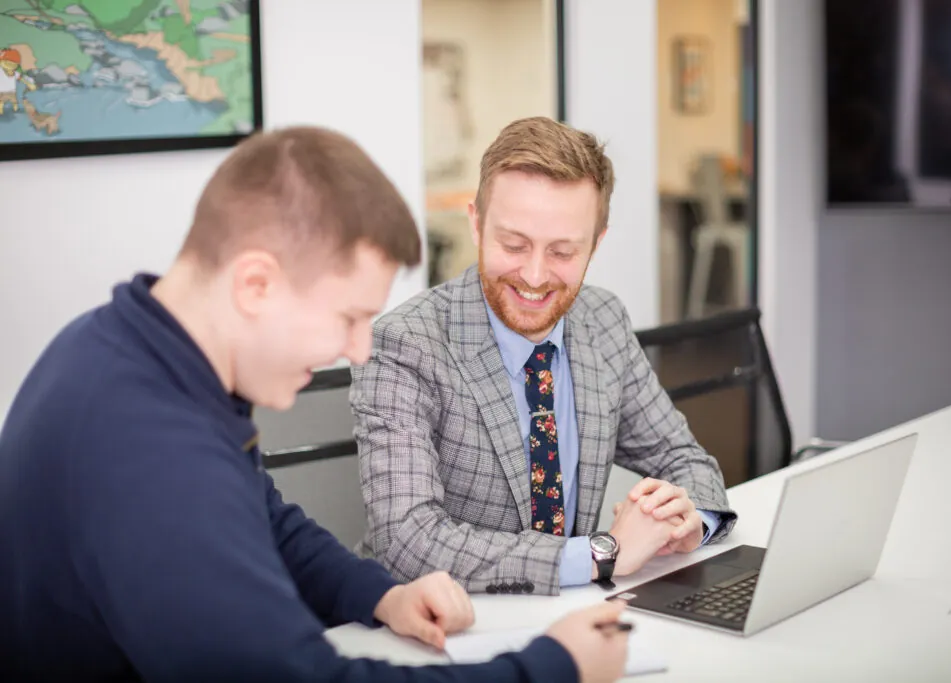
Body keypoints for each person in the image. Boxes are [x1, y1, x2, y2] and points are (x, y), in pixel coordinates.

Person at [0, 126, 629, 683]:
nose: (359, 349)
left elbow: (263, 518)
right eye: (348, 317)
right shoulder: (153, 454)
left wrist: (380, 593)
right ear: (255, 284)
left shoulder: (128, 343)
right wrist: (553, 667)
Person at [351, 117, 737, 597]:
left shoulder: (603, 320)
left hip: (572, 616)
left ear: (596, 243)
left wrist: (689, 522)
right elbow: (407, 538)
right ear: (475, 222)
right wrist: (600, 554)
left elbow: (680, 456)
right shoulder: (405, 344)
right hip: (442, 626)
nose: (534, 276)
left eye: (562, 252)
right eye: (513, 245)